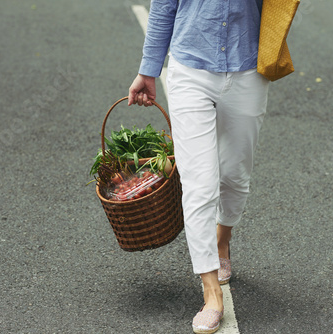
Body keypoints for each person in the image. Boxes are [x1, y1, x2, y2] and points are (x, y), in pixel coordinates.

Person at [128, 1, 269, 333]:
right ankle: (211, 291)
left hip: (248, 68)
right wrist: (149, 69)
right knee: (200, 183)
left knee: (235, 177)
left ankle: (222, 241)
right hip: (189, 71)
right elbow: (164, 6)